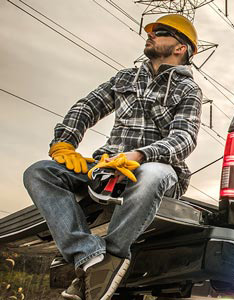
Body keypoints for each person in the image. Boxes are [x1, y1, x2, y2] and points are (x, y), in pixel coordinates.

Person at [23, 14, 202, 300]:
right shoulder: (125, 78)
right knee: (39, 172)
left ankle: (113, 256)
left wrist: (140, 155)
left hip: (158, 169)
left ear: (181, 48)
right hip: (108, 165)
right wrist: (64, 143)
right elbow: (86, 107)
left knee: (151, 175)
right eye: (152, 31)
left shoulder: (188, 89)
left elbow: (184, 139)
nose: (151, 34)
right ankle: (90, 257)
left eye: (161, 32)